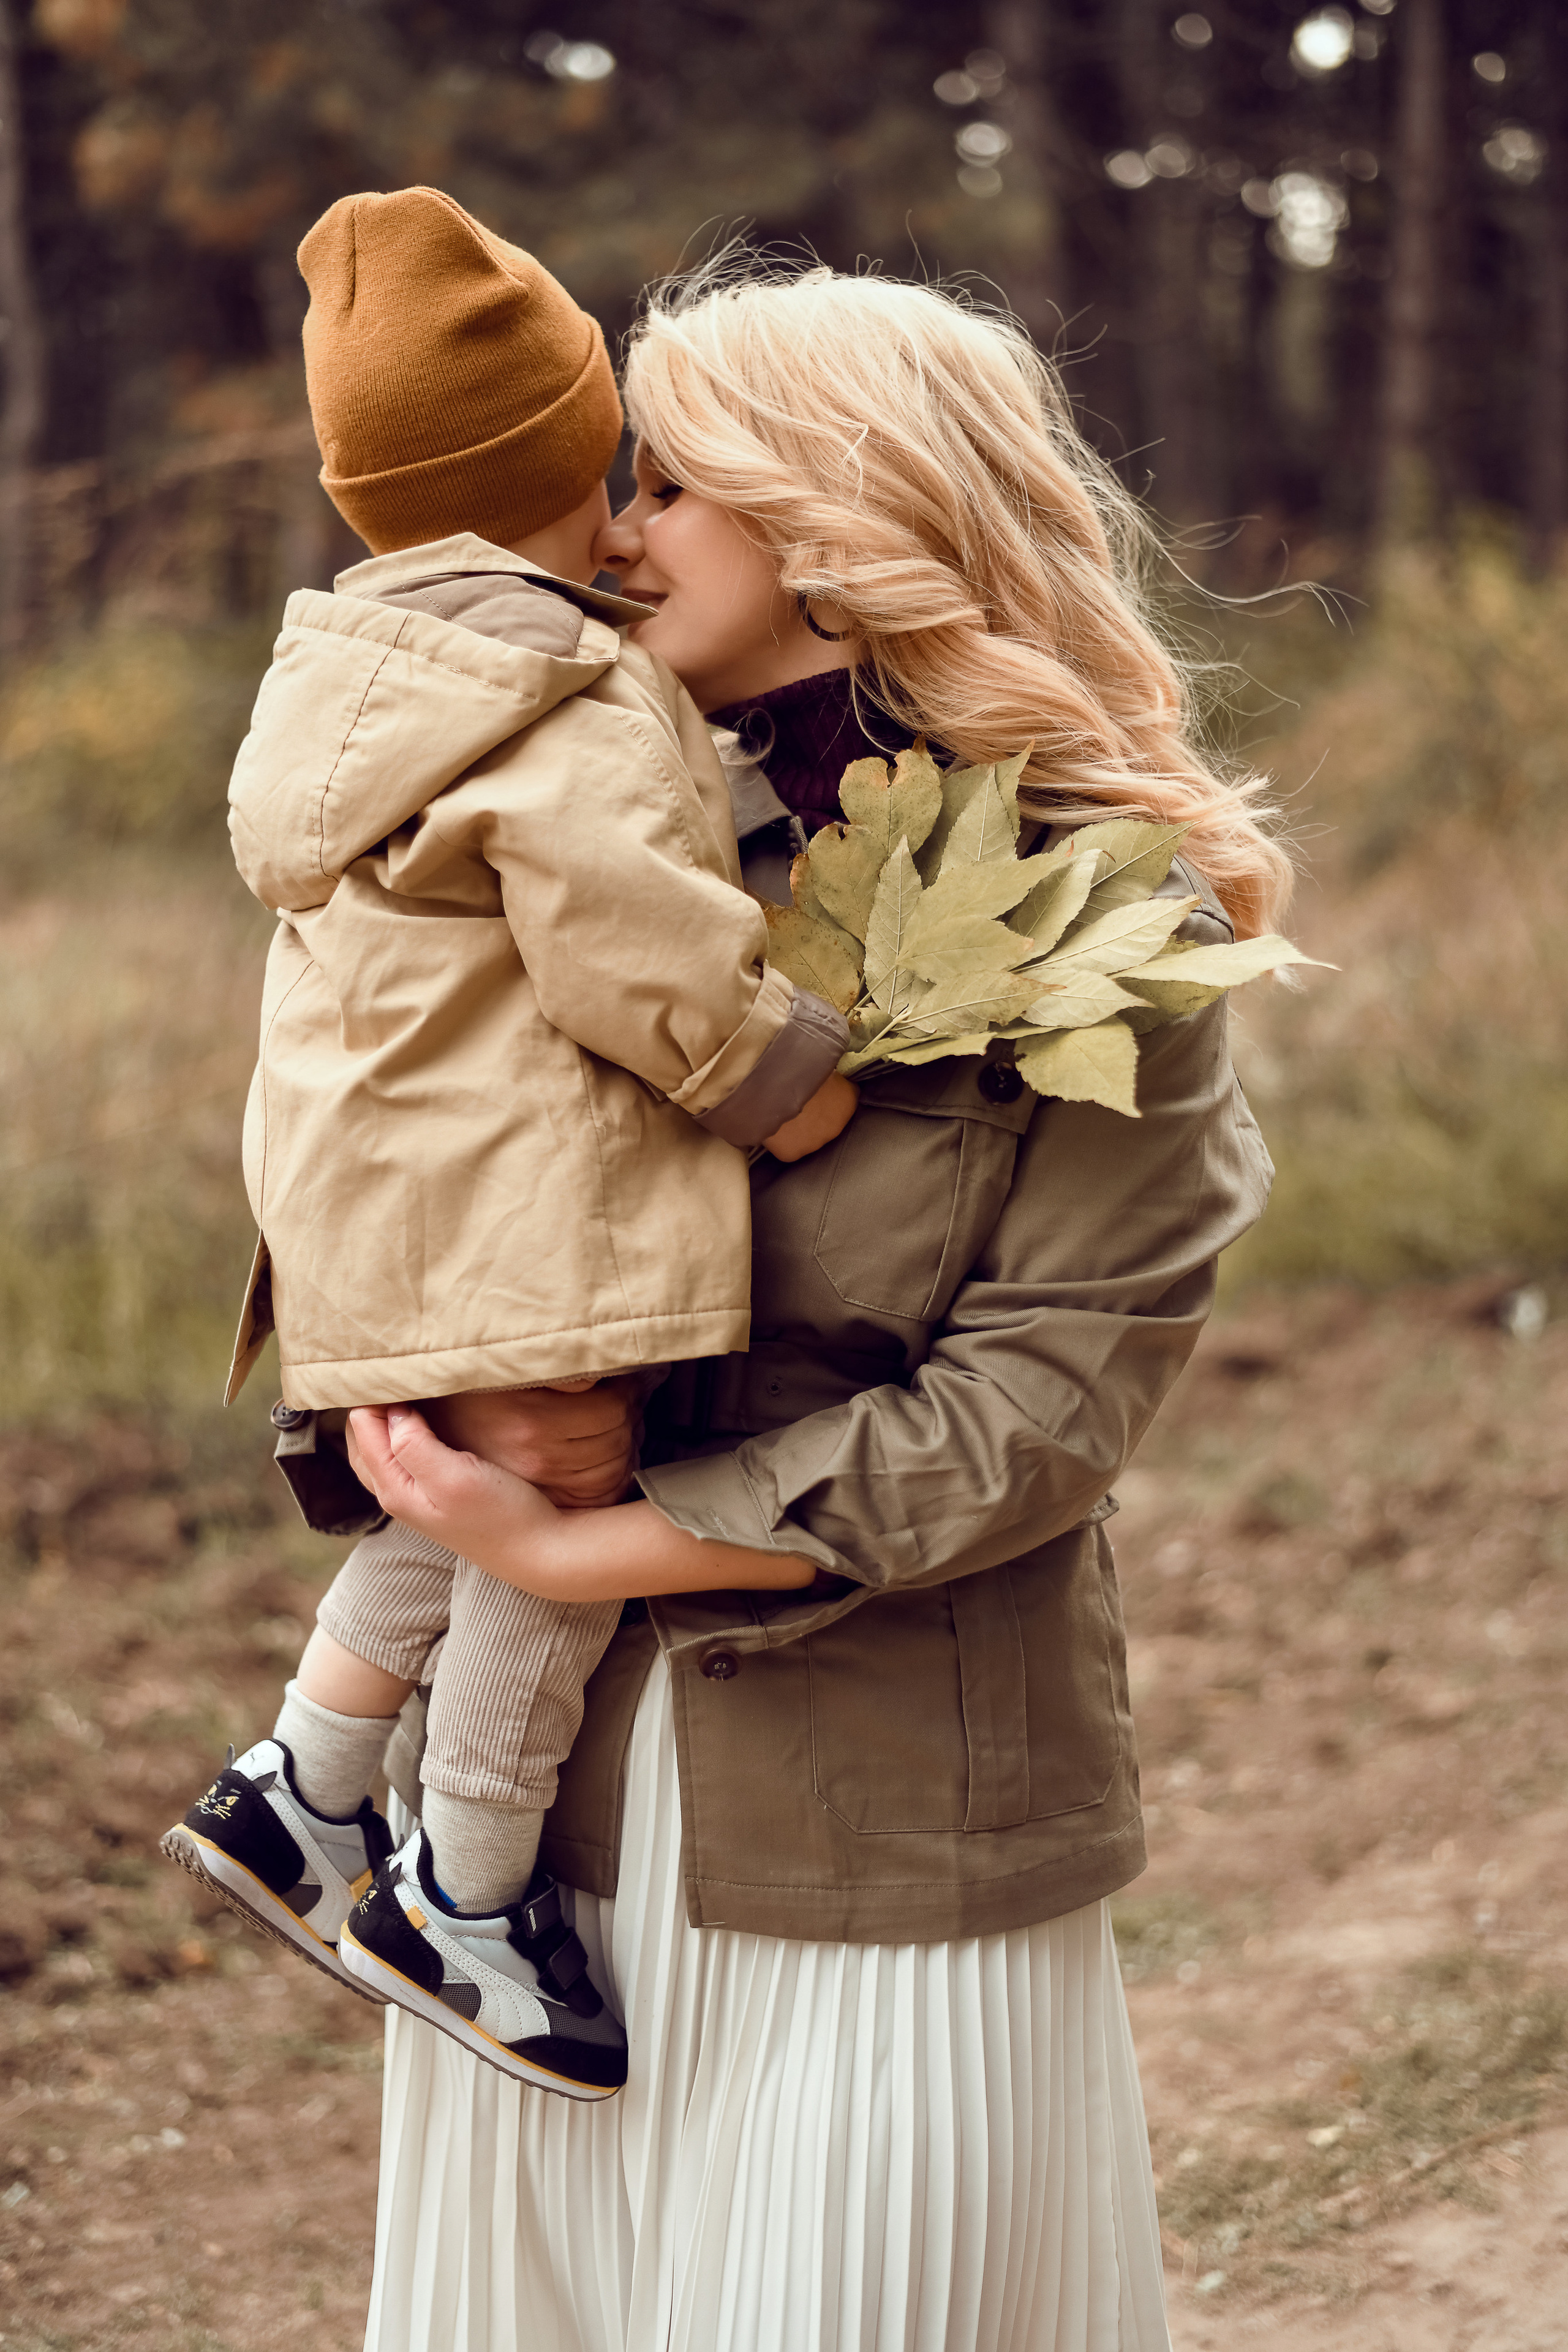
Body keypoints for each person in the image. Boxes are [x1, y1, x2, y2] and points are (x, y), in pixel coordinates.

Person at [338, 257, 1283, 2352]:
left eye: (668, 484)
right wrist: (420, 1437)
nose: (609, 536)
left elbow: (1043, 1408)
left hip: (898, 1820)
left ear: (842, 519)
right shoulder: (602, 845)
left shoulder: (1118, 909)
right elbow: (393, 1193)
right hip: (537, 1832)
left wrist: (587, 1539)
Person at [160, 190, 856, 2101]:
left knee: (451, 1505)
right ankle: (463, 1888)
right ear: (582, 456)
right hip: (524, 1222)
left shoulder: (353, 679)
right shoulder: (566, 683)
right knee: (554, 1530)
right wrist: (785, 1075)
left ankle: (304, 1776)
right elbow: (626, 928)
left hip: (377, 1222)